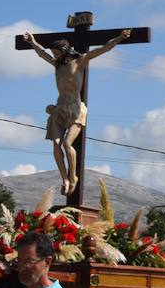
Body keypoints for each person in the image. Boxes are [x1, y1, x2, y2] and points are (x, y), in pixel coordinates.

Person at [22, 28, 131, 195]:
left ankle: (73, 177)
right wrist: (31, 41)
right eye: (53, 52)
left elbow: (103, 49)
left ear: (65, 51)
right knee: (56, 144)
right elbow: (41, 53)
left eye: (57, 52)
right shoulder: (56, 64)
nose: (54, 55)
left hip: (75, 108)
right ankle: (64, 178)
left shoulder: (80, 61)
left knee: (67, 144)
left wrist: (119, 37)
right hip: (60, 108)